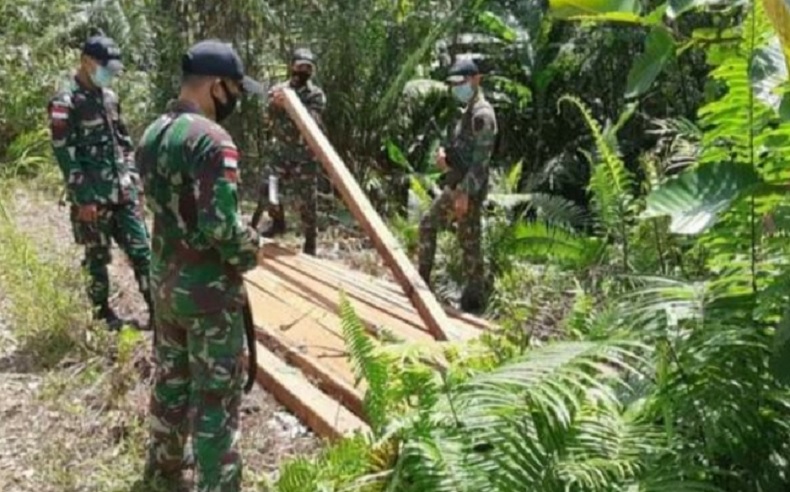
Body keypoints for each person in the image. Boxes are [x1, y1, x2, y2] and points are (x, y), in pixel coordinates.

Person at [134, 39, 265, 491]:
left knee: (170, 385)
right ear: (215, 86)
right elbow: (220, 227)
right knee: (215, 400)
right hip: (208, 296)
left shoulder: (152, 133)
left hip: (166, 285)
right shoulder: (212, 140)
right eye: (233, 90)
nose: (235, 100)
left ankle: (162, 475)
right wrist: (252, 248)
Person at [47, 35, 153, 330]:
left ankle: (159, 312)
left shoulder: (109, 98)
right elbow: (64, 152)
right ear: (86, 61)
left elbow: (124, 141)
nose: (110, 73)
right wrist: (83, 197)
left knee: (143, 252)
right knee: (97, 258)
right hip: (92, 196)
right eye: (106, 67)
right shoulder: (64, 100)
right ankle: (103, 315)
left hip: (123, 192)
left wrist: (133, 180)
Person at [417, 58, 498, 314]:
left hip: (468, 190)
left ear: (476, 80)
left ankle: (475, 305)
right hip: (457, 184)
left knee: (469, 244)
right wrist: (445, 159)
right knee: (435, 228)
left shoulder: (482, 115)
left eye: (461, 83)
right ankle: (422, 287)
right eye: (453, 84)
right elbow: (463, 152)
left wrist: (464, 193)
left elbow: (480, 163)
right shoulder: (468, 112)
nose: (456, 88)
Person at [249, 48, 326, 256]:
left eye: (308, 68)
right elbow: (268, 117)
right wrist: (275, 104)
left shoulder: (315, 94)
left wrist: (292, 103)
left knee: (307, 200)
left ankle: (310, 243)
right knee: (269, 191)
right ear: (292, 66)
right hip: (280, 154)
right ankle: (276, 223)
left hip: (304, 157)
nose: (304, 71)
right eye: (300, 66)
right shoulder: (278, 90)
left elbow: (314, 121)